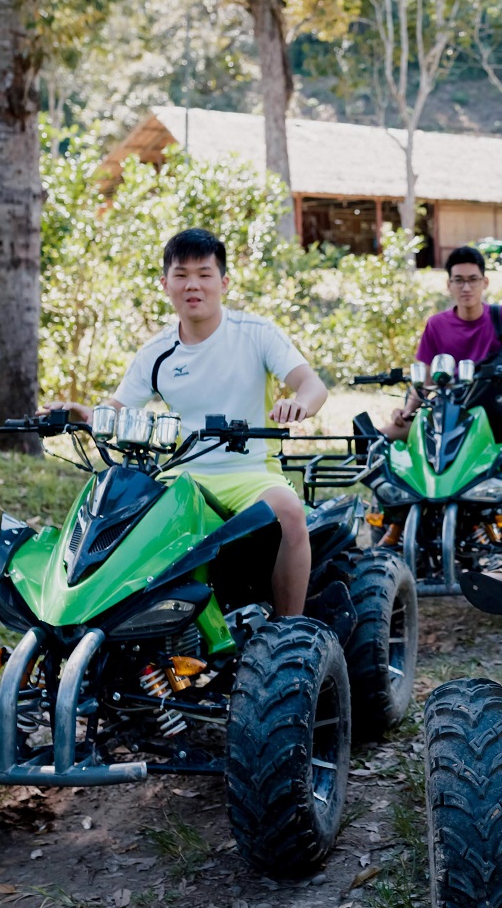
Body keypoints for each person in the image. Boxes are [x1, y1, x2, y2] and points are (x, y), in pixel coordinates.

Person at [44, 227, 328, 619]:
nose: (192, 285)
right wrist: (83, 416)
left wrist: (300, 404)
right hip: (178, 477)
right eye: (181, 275)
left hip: (247, 472)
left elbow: (312, 384)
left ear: (223, 282)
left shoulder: (256, 334)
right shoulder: (157, 351)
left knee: (290, 511)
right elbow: (116, 410)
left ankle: (288, 630)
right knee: (117, 519)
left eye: (204, 274)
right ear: (165, 284)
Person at [377, 245, 502, 546]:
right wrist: (408, 409)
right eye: (459, 280)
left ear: (485, 282)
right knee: (377, 442)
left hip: (492, 414)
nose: (466, 287)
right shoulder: (437, 324)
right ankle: (394, 518)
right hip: (442, 412)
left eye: (473, 279)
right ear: (448, 284)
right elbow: (424, 377)